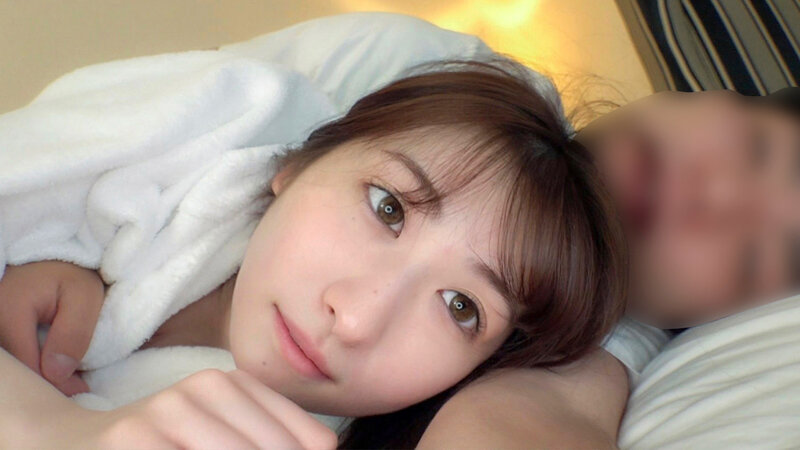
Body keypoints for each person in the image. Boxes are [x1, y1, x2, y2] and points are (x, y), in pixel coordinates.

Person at [0, 57, 627, 447]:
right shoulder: (189, 143)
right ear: (298, 163)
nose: (354, 319)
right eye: (388, 208)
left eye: (461, 306)